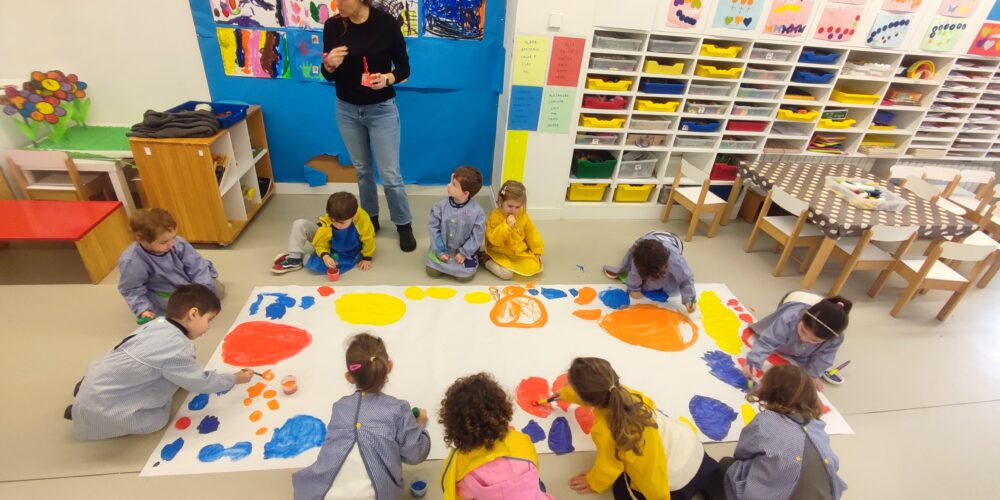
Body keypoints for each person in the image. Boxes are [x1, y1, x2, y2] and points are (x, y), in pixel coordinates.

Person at [68, 284, 252, 440]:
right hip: (106, 409)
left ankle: (85, 404)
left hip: (100, 378)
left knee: (162, 376)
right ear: (193, 314)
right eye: (209, 320)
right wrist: (235, 378)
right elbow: (200, 382)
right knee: (157, 420)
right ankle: (89, 416)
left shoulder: (157, 324)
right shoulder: (177, 348)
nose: (209, 327)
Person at [322, 0, 416, 252]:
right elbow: (328, 74)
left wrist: (387, 78)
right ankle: (369, 218)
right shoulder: (332, 26)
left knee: (390, 174)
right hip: (346, 110)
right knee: (362, 169)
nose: (337, 4)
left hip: (381, 110)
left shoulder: (386, 24)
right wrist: (329, 64)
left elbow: (404, 67)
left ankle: (403, 224)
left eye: (343, 0)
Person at [293, 333, 431, 499]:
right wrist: (419, 426)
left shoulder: (340, 407)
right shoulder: (398, 409)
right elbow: (415, 455)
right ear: (389, 366)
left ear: (349, 377)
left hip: (320, 494)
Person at [563, 357, 721, 500]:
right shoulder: (627, 394)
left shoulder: (605, 430)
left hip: (673, 482)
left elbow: (610, 466)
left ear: (587, 401)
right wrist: (566, 394)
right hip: (694, 451)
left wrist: (593, 482)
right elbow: (596, 393)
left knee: (622, 490)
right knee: (710, 478)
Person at [721, 365, 847, 500]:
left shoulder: (765, 420)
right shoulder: (817, 425)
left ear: (768, 391)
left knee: (726, 464)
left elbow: (742, 452)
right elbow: (833, 465)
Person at [438, 372, 552, 500]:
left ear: (454, 425)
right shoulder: (522, 441)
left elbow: (451, 493)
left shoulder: (458, 465)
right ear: (502, 410)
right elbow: (535, 469)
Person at [118, 208, 222, 321]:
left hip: (189, 284)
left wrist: (203, 289)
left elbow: (197, 266)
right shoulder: (132, 261)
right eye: (164, 242)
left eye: (174, 237)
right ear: (141, 239)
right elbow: (132, 290)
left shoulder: (177, 243)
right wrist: (143, 309)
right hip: (165, 293)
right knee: (177, 316)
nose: (171, 243)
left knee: (218, 290)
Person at [742, 291, 851, 391]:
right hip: (796, 297)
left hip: (822, 310)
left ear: (828, 339)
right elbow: (768, 341)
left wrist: (812, 375)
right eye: (803, 331)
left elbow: (824, 358)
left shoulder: (836, 338)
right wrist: (753, 362)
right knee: (777, 327)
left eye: (814, 340)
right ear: (802, 316)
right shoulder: (789, 317)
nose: (804, 338)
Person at [272, 192, 375, 275]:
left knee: (334, 264)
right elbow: (321, 242)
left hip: (348, 248)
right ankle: (294, 258)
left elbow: (368, 238)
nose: (337, 225)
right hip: (330, 243)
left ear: (353, 215)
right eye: (333, 221)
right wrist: (325, 256)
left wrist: (367, 257)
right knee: (299, 224)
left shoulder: (362, 218)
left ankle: (301, 258)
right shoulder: (329, 219)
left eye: (341, 223)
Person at [603, 230, 697, 313]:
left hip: (674, 239)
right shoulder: (639, 256)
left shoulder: (675, 260)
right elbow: (635, 272)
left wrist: (690, 300)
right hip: (649, 237)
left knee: (672, 289)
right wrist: (634, 289)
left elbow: (686, 278)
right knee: (641, 274)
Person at [426, 166, 486, 281]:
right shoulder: (440, 206)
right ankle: (439, 259)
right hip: (441, 249)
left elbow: (477, 236)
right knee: (432, 272)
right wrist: (440, 250)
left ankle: (463, 263)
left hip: (463, 254)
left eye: (454, 184)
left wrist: (464, 253)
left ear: (465, 193)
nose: (448, 186)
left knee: (464, 278)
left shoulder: (477, 212)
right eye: (450, 182)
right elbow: (433, 228)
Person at [484, 180, 544, 280]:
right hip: (500, 252)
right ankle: (486, 261)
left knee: (534, 266)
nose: (513, 210)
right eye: (510, 206)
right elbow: (494, 240)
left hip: (517, 253)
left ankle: (514, 265)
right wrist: (507, 226)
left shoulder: (522, 214)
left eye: (517, 207)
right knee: (507, 274)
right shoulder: (495, 216)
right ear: (501, 201)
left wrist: (537, 251)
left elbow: (531, 233)